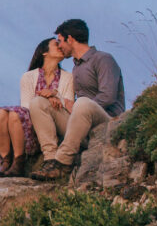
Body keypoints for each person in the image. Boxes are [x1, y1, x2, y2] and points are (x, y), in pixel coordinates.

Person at [29, 18, 125, 181]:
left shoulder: (103, 59)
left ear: (70, 39)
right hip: (82, 125)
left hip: (105, 123)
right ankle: (51, 160)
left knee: (82, 103)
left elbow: (108, 96)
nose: (59, 46)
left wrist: (77, 106)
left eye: (60, 41)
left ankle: (63, 163)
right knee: (38, 103)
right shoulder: (76, 68)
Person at [0, 38, 74, 178]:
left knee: (13, 115)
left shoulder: (68, 77)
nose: (60, 46)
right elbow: (26, 107)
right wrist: (48, 98)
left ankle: (19, 161)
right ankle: (7, 160)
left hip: (50, 127)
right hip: (28, 125)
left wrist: (54, 95)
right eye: (56, 44)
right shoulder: (28, 77)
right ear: (44, 53)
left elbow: (68, 107)